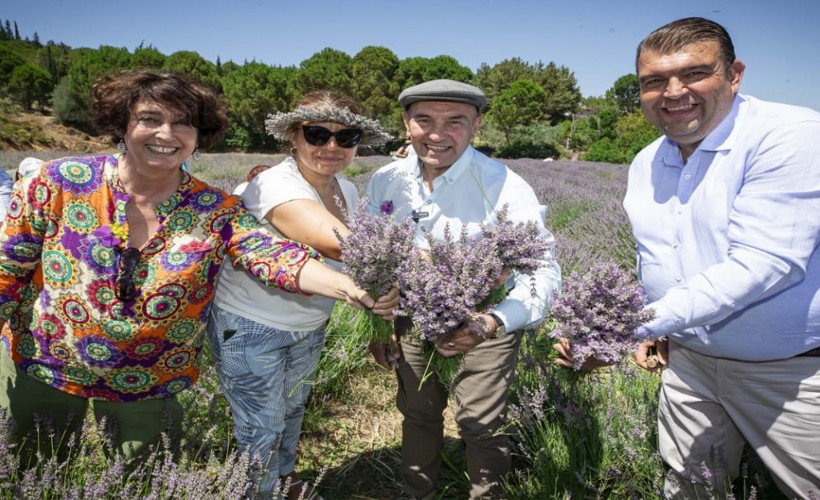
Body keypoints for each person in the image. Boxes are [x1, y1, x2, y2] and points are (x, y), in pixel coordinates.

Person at [0, 69, 388, 461]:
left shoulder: (215, 209)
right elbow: (8, 267)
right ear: (123, 123)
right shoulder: (59, 181)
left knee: (143, 476)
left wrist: (353, 290)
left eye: (183, 123)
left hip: (149, 378)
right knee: (30, 465)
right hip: (45, 364)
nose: (166, 134)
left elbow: (273, 255)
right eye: (150, 119)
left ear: (199, 135)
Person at [623, 17, 819, 498]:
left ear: (734, 74)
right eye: (654, 81)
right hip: (688, 365)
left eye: (694, 73)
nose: (673, 92)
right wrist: (660, 324)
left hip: (787, 372)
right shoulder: (648, 159)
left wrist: (635, 322)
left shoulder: (791, 135)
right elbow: (657, 255)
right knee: (691, 486)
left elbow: (764, 263)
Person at [367, 79, 562, 499]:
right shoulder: (385, 181)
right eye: (424, 120)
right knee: (418, 414)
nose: (437, 134)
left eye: (454, 121)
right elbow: (374, 259)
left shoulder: (504, 186)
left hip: (481, 319)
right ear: (406, 124)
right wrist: (378, 327)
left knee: (482, 424)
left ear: (476, 126)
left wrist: (491, 322)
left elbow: (542, 271)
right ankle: (416, 492)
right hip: (411, 321)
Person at [208, 90, 394, 500]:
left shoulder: (345, 189)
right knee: (261, 425)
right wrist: (436, 262)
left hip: (309, 324)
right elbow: (344, 246)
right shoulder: (273, 185)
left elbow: (366, 266)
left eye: (346, 137)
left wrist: (381, 324)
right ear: (293, 136)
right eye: (317, 134)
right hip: (251, 326)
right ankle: (259, 493)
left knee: (292, 410)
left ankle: (284, 482)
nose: (332, 147)